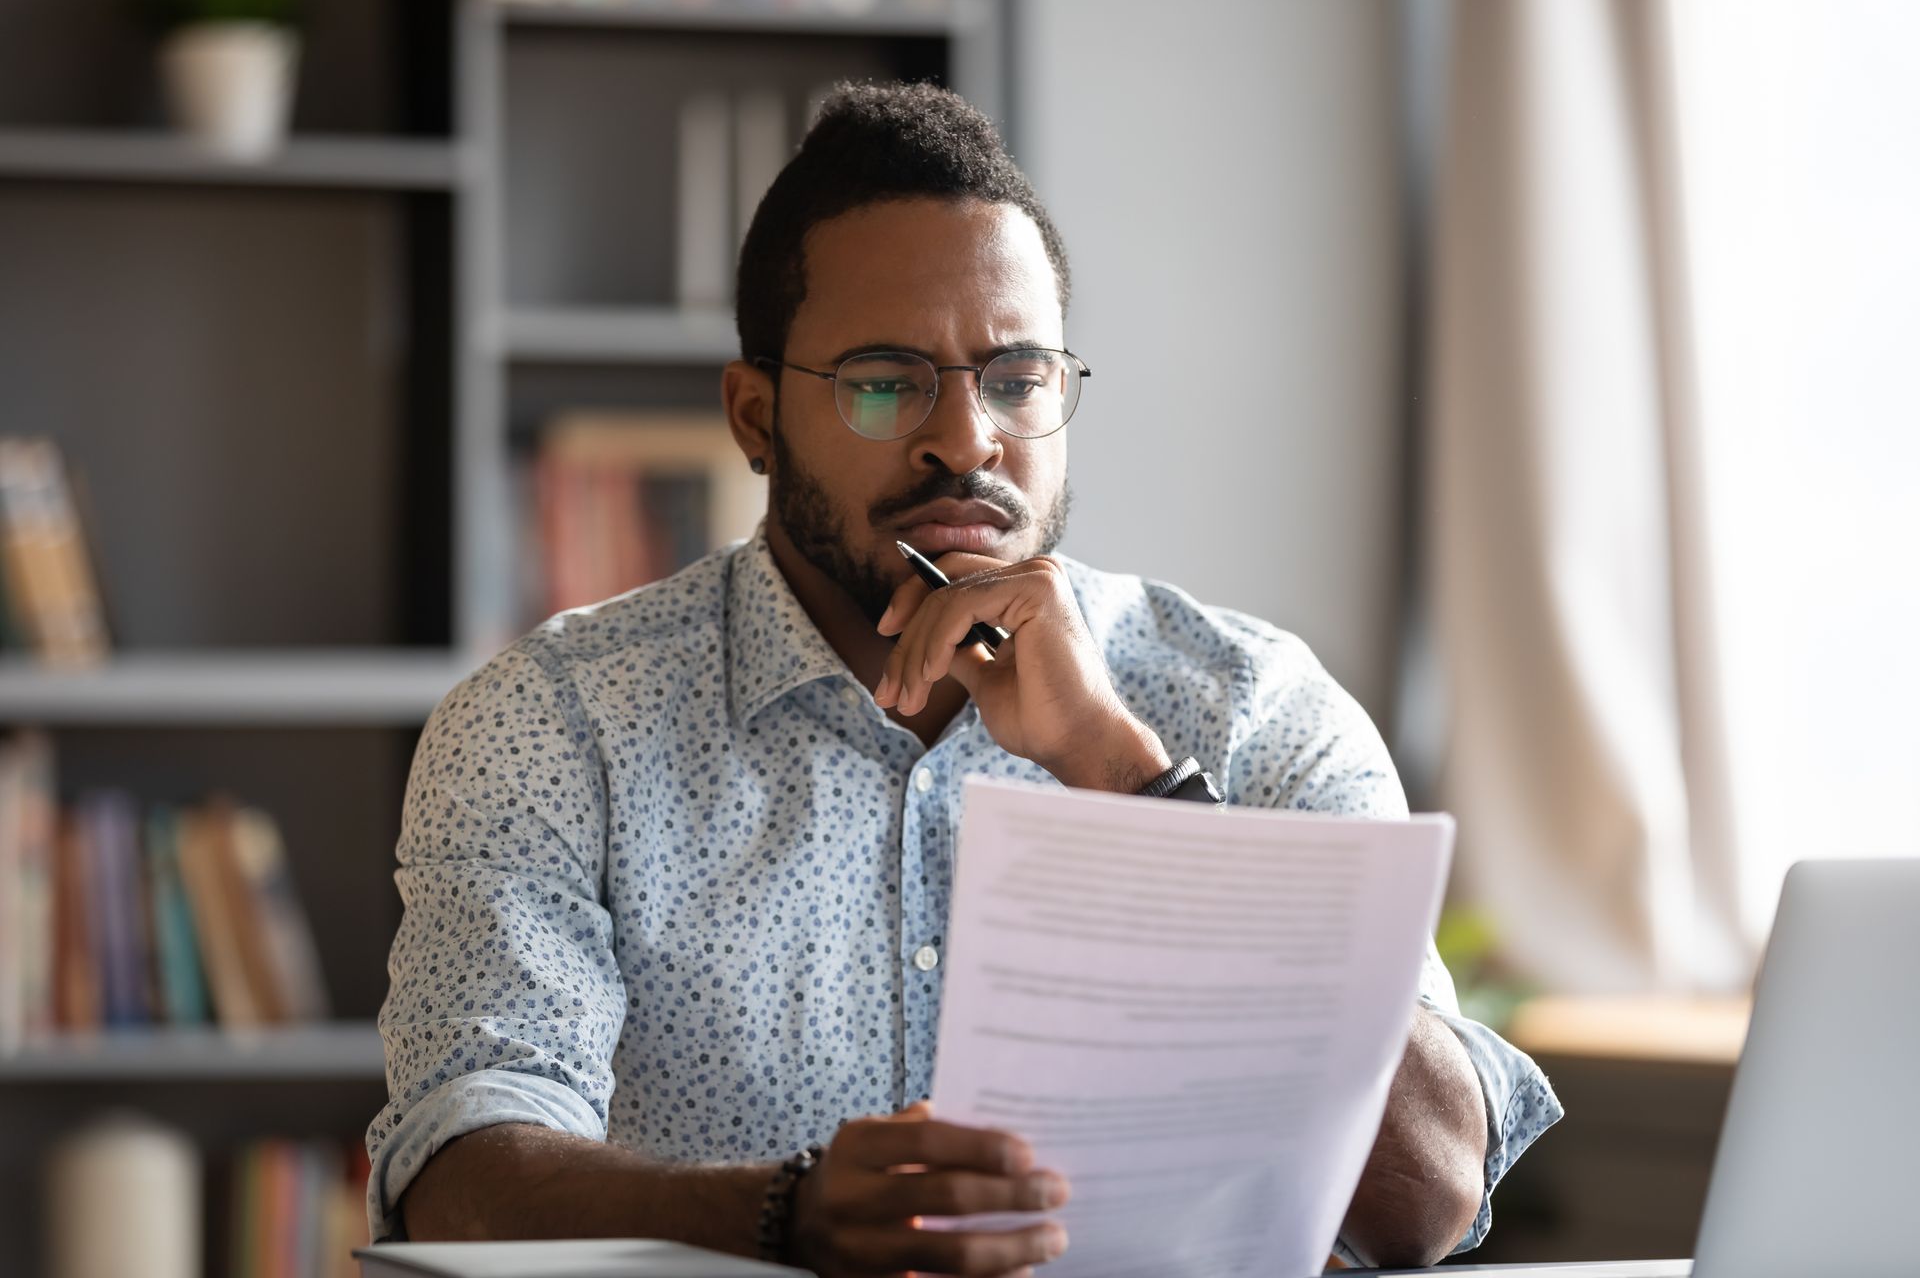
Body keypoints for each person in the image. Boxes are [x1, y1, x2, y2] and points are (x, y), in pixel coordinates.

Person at [368, 82, 1560, 1275]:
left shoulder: (1249, 706)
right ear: (756, 417)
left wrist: (1123, 775)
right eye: (886, 381)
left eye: (1017, 378)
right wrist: (783, 1214)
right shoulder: (554, 724)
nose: (967, 437)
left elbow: (1427, 1194)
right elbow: (461, 1170)